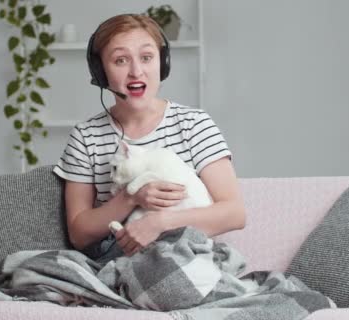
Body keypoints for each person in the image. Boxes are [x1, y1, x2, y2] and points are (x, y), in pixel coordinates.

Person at [53, 13, 245, 260]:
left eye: (146, 58)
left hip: (185, 259)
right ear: (101, 72)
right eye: (120, 60)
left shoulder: (194, 124)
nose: (136, 71)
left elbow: (235, 214)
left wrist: (161, 222)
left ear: (162, 64)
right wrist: (131, 197)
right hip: (115, 260)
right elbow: (79, 233)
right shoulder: (85, 136)